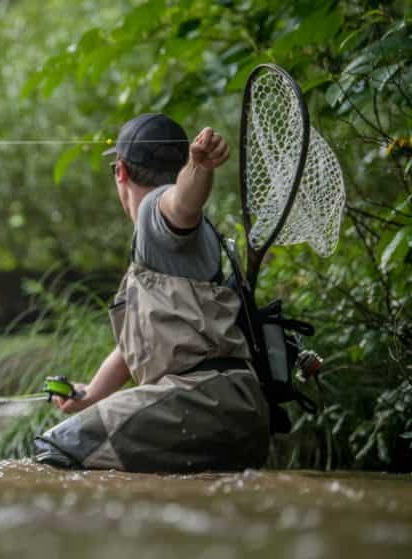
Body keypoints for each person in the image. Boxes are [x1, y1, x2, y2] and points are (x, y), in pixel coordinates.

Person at [34, 113, 270, 473]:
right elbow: (133, 349)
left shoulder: (154, 211)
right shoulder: (165, 254)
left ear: (121, 171)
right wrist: (91, 396)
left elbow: (182, 207)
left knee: (56, 450)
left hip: (200, 401)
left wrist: (200, 168)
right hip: (230, 408)